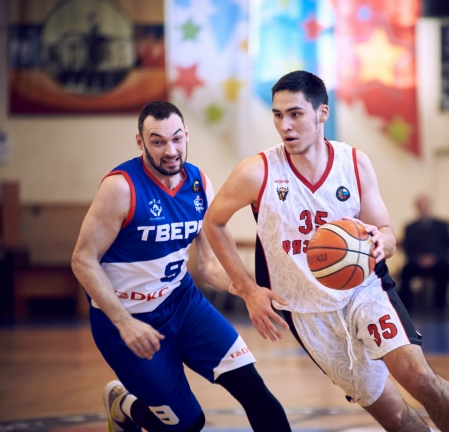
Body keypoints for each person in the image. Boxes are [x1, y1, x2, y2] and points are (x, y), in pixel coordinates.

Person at [204, 70, 449, 432]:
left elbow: (387, 235)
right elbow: (213, 223)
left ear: (322, 113)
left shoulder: (354, 163)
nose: (285, 125)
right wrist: (248, 289)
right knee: (394, 415)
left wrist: (381, 242)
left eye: (295, 114)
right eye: (278, 115)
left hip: (365, 291)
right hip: (307, 313)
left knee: (421, 379)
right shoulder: (256, 171)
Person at [71, 100, 291, 432]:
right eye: (158, 141)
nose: (171, 150)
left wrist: (248, 291)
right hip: (128, 318)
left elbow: (208, 265)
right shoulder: (120, 187)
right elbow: (83, 260)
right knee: (189, 425)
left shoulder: (199, 182)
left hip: (183, 304)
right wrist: (124, 322)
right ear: (140, 142)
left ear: (187, 135)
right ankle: (124, 405)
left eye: (176, 138)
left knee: (254, 391)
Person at [399, 194, 449, 313]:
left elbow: (448, 247)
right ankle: (406, 307)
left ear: (430, 206)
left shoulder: (442, 225)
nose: (423, 209)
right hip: (417, 263)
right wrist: (419, 259)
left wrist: (435, 258)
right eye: (421, 206)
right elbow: (407, 248)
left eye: (425, 206)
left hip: (438, 262)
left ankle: (440, 307)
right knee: (405, 272)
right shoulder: (410, 227)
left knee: (444, 270)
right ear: (417, 208)